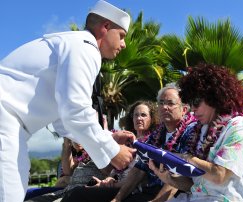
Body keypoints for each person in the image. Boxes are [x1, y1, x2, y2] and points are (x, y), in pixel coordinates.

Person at [0, 1, 137, 201]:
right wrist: (113, 151)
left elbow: (63, 121)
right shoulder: (86, 47)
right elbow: (75, 110)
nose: (123, 44)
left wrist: (108, 137)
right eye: (122, 36)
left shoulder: (74, 43)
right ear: (105, 27)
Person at [149, 63, 243, 202]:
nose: (192, 109)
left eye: (196, 102)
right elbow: (193, 186)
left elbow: (219, 175)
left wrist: (187, 158)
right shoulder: (201, 131)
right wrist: (167, 178)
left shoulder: (240, 126)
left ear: (214, 96)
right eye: (189, 103)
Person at [60, 100, 160, 202]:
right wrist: (109, 179)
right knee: (75, 193)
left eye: (143, 115)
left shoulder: (152, 143)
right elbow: (112, 170)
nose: (139, 118)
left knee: (77, 194)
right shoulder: (126, 139)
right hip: (115, 185)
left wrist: (111, 184)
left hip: (131, 189)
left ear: (152, 119)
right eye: (136, 115)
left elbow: (139, 175)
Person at [112, 83, 197, 202]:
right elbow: (139, 169)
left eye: (170, 103)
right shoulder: (156, 135)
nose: (164, 107)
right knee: (80, 193)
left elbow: (180, 174)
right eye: (161, 103)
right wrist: (117, 199)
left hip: (173, 196)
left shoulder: (191, 132)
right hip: (148, 191)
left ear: (183, 110)